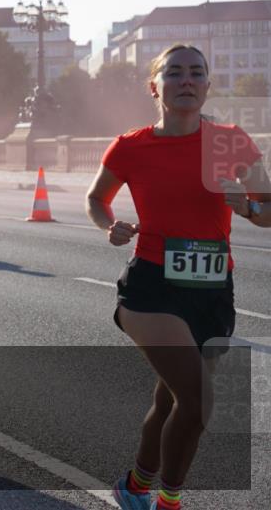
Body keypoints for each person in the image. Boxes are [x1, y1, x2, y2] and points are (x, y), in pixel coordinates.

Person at [86, 45, 269, 510]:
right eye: (174, 73)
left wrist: (247, 208)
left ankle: (135, 486)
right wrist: (111, 226)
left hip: (212, 291)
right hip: (151, 289)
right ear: (155, 86)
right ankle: (169, 500)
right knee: (200, 401)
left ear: (207, 86)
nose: (186, 80)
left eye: (196, 73)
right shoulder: (131, 146)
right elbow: (96, 198)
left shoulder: (231, 142)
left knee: (171, 403)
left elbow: (270, 208)